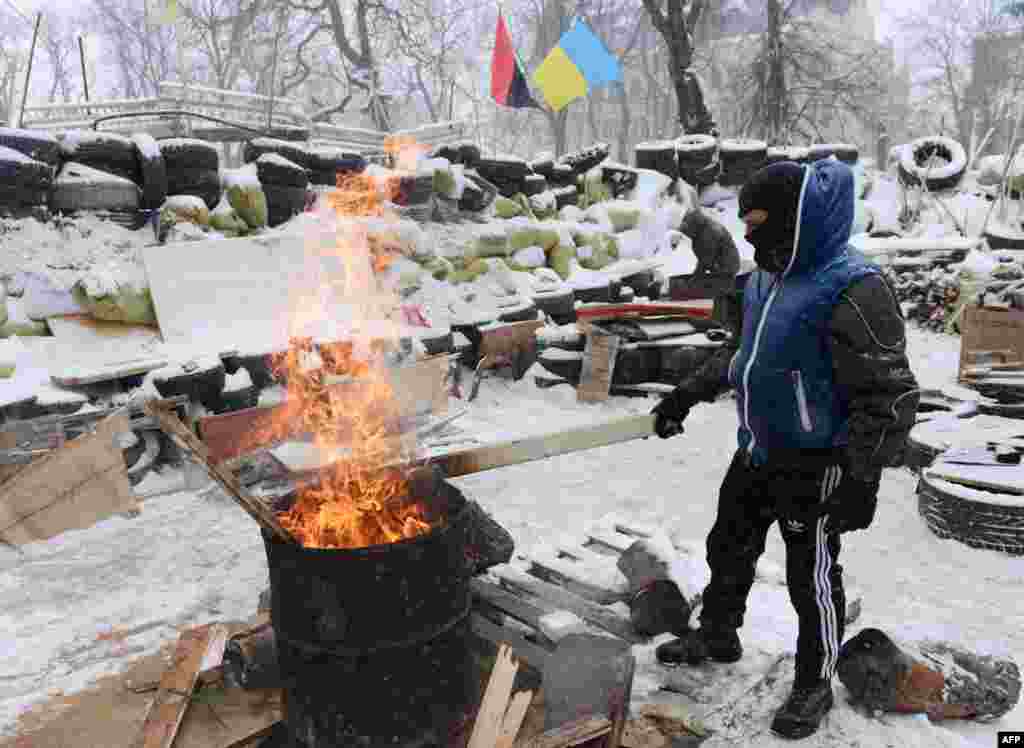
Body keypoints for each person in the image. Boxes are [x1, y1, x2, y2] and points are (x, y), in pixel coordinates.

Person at [651, 158, 919, 740]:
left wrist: (863, 476)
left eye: (758, 220)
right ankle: (719, 631)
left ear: (795, 220)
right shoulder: (768, 273)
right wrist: (685, 396)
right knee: (728, 546)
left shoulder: (855, 287)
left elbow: (889, 394)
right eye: (743, 220)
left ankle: (814, 680)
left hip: (817, 463)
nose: (746, 233)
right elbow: (742, 355)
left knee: (811, 577)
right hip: (758, 448)